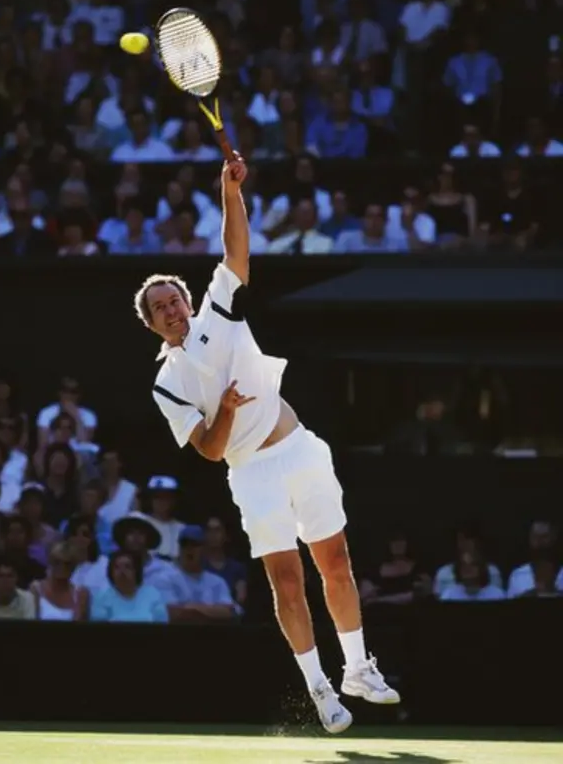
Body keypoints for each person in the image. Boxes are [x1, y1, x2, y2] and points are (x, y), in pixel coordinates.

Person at [134, 154, 399, 734]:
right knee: (287, 581)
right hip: (250, 473)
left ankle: (357, 668)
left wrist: (231, 192)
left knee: (336, 566)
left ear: (187, 301)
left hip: (301, 451)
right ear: (152, 325)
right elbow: (206, 449)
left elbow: (236, 251)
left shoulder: (219, 312)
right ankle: (320, 689)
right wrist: (225, 414)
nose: (171, 311)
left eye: (174, 300)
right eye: (160, 310)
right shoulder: (167, 383)